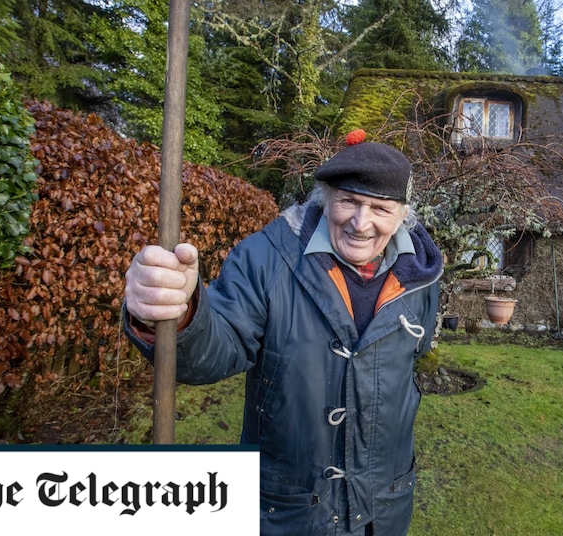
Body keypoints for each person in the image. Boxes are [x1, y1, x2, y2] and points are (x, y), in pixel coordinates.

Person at [122, 134, 443, 535]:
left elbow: (412, 358)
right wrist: (177, 314)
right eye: (348, 201)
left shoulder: (422, 277)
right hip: (286, 511)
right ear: (324, 198)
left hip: (383, 510)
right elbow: (216, 349)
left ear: (403, 216)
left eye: (380, 208)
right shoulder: (266, 258)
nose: (361, 223)